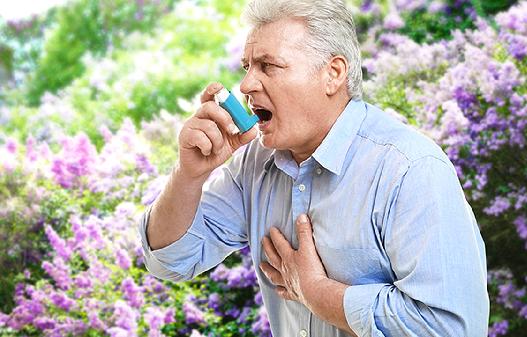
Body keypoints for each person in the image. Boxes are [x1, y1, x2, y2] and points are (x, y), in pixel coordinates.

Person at [138, 0, 489, 336]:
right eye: (247, 67)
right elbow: (171, 261)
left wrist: (318, 294)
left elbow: (449, 328)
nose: (246, 85)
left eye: (268, 66)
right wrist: (189, 176)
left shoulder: (410, 169)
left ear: (332, 74)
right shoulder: (254, 163)